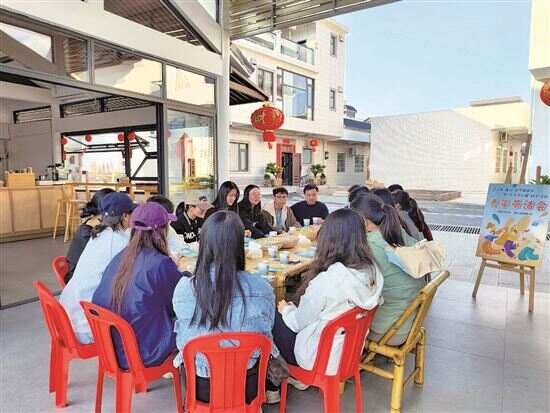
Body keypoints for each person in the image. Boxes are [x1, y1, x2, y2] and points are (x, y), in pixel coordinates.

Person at [173, 210, 277, 404]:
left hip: (201, 387)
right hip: (248, 385)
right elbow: (268, 328)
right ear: (240, 245)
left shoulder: (184, 288)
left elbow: (182, 336)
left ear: (204, 244)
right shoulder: (262, 287)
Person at [274, 208, 382, 392]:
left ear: (329, 240)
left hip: (319, 358)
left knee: (271, 314)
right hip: (349, 353)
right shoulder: (372, 270)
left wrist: (286, 310)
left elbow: (298, 323)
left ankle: (279, 382)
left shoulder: (328, 280)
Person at [92, 202, 187, 369]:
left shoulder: (121, 256)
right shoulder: (160, 263)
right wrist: (185, 273)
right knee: (194, 316)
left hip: (111, 348)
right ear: (161, 231)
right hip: (142, 350)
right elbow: (179, 300)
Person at [60, 192, 136, 344]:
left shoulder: (99, 234)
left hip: (69, 316)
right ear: (125, 217)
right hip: (87, 324)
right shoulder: (119, 242)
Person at [351, 193, 424, 345]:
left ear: (363, 221)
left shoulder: (369, 246)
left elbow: (357, 290)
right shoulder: (398, 233)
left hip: (389, 330)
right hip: (410, 321)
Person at [65, 187, 114, 283]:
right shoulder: (87, 234)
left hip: (86, 273)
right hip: (77, 278)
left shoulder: (95, 223)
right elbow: (100, 260)